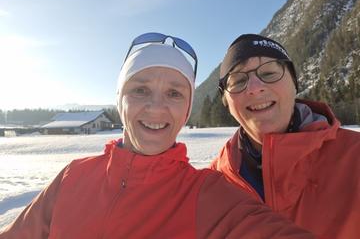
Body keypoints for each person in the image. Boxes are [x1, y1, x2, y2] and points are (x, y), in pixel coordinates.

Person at [0, 32, 314, 239]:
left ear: (187, 109)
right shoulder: (72, 177)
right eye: (140, 90)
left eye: (175, 94)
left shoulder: (209, 194)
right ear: (119, 99)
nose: (156, 107)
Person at [211, 33, 360, 239]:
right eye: (238, 81)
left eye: (269, 73)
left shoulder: (354, 158)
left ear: (294, 84)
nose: (255, 88)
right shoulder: (212, 183)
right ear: (226, 102)